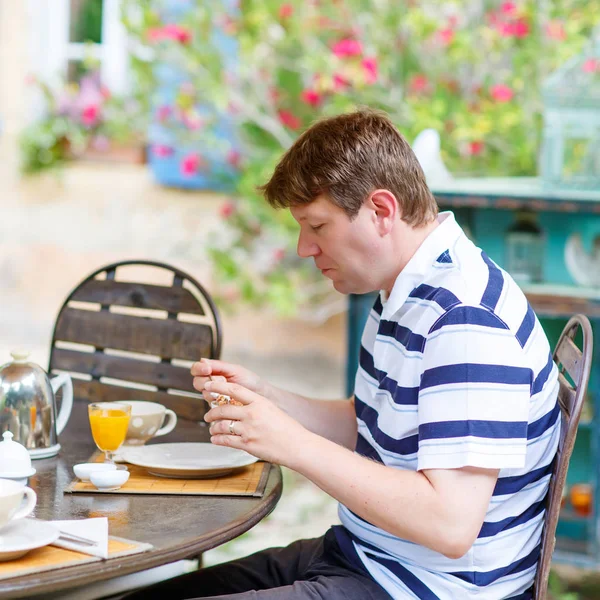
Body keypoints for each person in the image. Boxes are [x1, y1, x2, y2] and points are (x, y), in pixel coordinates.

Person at [124, 109, 560, 599]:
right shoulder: (404, 288)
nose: (303, 247)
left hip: (430, 587)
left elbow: (450, 525)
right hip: (368, 557)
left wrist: (290, 443)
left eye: (317, 225)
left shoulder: (465, 319)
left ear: (381, 211)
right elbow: (370, 424)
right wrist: (267, 398)